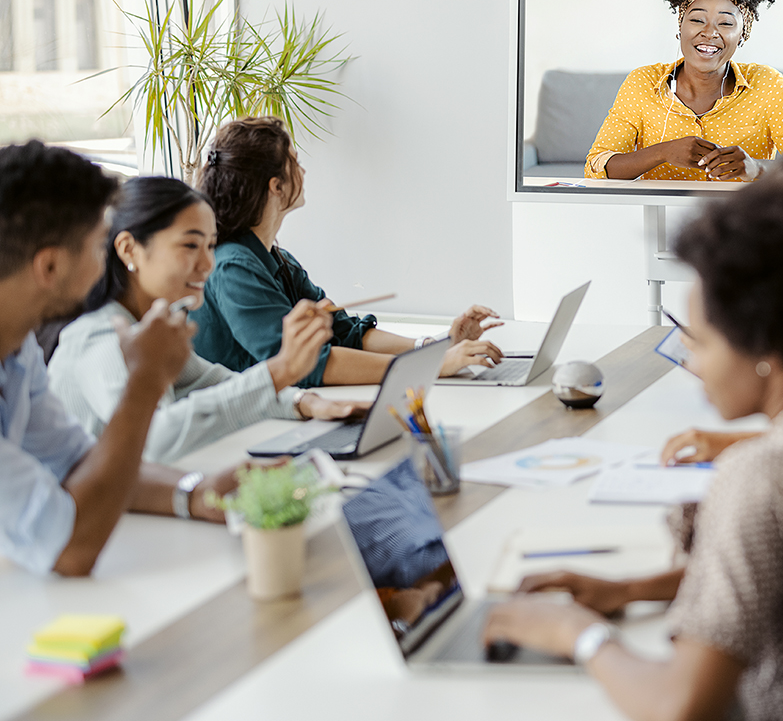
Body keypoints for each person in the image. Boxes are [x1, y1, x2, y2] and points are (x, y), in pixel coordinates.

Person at [485, 179, 783, 720]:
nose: (692, 361)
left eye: (701, 339)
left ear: (764, 344)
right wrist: (630, 590)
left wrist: (576, 633)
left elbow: (680, 707)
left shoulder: (765, 478)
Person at [0, 141, 238, 577]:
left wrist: (196, 493)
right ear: (49, 267)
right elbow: (71, 549)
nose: (103, 260)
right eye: (96, 247)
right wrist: (144, 382)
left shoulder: (16, 351)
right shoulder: (95, 334)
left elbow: (79, 463)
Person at [48, 177, 370, 464]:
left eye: (211, 245)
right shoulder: (100, 338)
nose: (207, 263)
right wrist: (279, 371)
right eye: (190, 245)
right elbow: (153, 439)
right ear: (129, 249)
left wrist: (302, 401)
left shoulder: (155, 325)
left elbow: (217, 382)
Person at [189, 117, 504, 386]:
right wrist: (429, 367)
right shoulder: (233, 266)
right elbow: (305, 364)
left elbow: (344, 332)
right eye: (295, 162)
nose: (304, 171)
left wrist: (434, 347)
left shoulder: (275, 258)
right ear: (277, 186)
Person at [583, 0, 783, 183]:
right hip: (661, 221)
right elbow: (597, 168)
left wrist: (757, 168)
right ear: (680, 28)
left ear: (742, 35)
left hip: (744, 222)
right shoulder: (643, 82)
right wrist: (662, 153)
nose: (709, 33)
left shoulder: (767, 85)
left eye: (726, 23)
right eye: (697, 20)